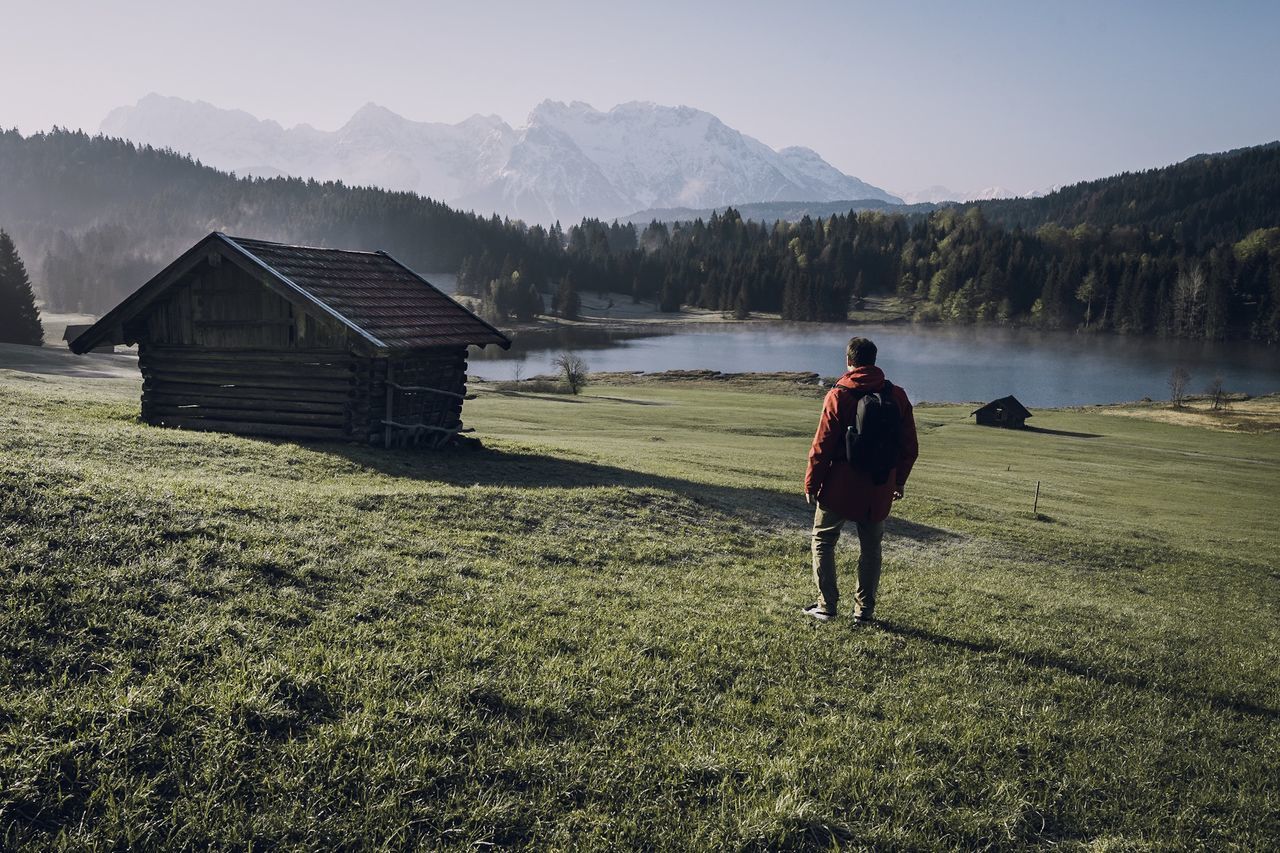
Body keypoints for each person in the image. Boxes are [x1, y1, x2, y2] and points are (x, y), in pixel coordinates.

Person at [803, 337, 918, 624]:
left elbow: (822, 445)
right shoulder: (898, 395)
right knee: (871, 549)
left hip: (840, 485)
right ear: (875, 360)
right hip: (879, 485)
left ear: (849, 361)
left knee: (823, 540)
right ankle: (864, 612)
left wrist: (811, 484)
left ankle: (826, 606)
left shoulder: (839, 394)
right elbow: (910, 448)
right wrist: (898, 482)